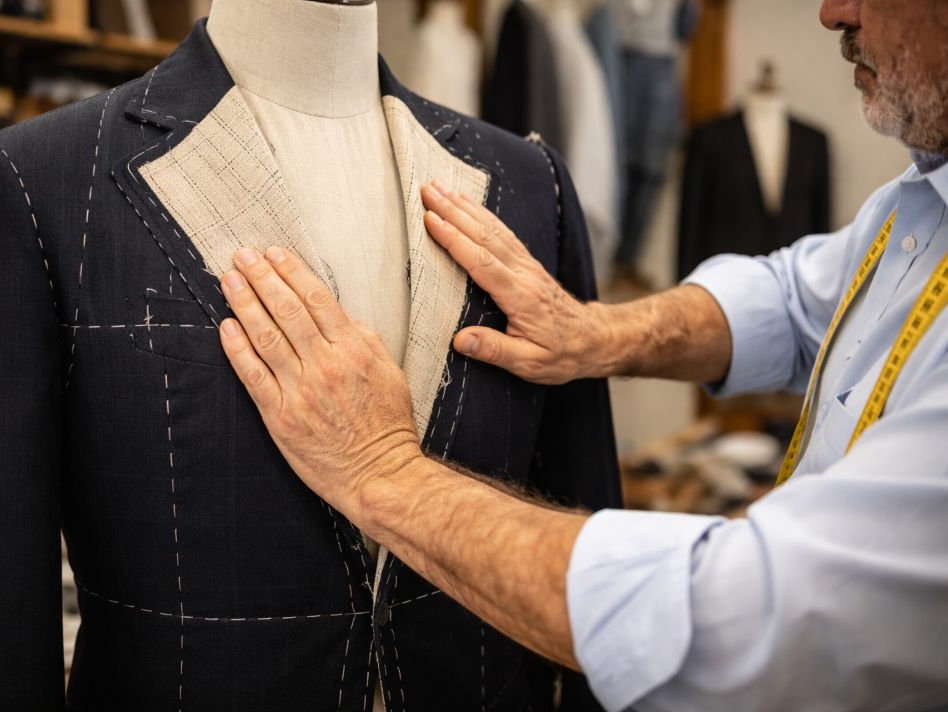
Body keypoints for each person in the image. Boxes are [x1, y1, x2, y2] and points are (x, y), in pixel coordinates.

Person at [212, 0, 948, 709]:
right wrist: (601, 334)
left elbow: (744, 620)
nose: (832, 11)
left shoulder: (527, 178)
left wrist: (383, 474)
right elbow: (793, 300)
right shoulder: (920, 202)